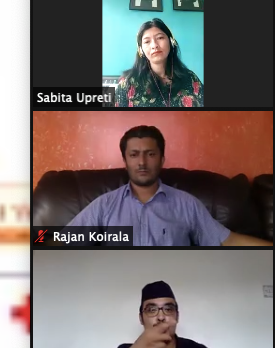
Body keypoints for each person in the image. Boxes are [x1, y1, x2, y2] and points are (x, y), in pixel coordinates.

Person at [60, 125, 270, 246]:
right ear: (125, 161)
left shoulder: (186, 204)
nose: (142, 163)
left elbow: (227, 241)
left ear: (162, 159)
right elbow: (63, 240)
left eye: (150, 154)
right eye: (134, 155)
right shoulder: (105, 205)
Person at [103, 281, 222, 348]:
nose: (161, 317)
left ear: (177, 316)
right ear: (141, 318)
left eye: (168, 309)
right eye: (151, 310)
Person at [113, 18, 203, 107]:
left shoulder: (190, 78)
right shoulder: (127, 83)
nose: (154, 45)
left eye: (160, 38)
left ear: (171, 42)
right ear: (141, 50)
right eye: (147, 41)